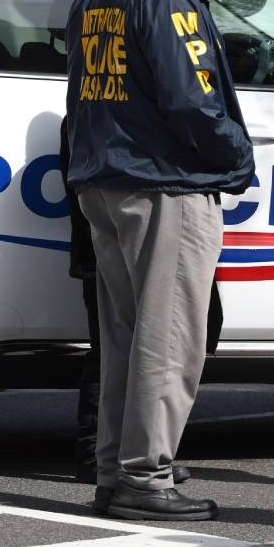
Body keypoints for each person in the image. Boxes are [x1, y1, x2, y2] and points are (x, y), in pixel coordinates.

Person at [64, 0, 254, 521]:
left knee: (124, 337)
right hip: (164, 183)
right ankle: (147, 478)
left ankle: (117, 473)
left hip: (104, 181)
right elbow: (191, 97)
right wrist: (236, 156)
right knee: (170, 338)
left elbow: (83, 94)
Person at [57, 118, 191, 488]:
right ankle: (105, 456)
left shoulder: (85, 112)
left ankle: (113, 458)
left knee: (116, 349)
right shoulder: (103, 117)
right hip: (107, 247)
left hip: (98, 247)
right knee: (114, 352)